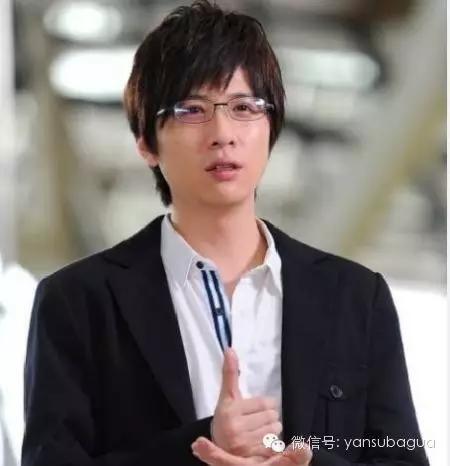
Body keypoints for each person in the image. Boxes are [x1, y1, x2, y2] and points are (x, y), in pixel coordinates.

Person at [21, 1, 429, 465]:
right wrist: (200, 444)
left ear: (271, 127)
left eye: (243, 107)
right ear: (146, 142)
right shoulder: (78, 302)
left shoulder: (355, 297)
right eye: (192, 110)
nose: (222, 133)